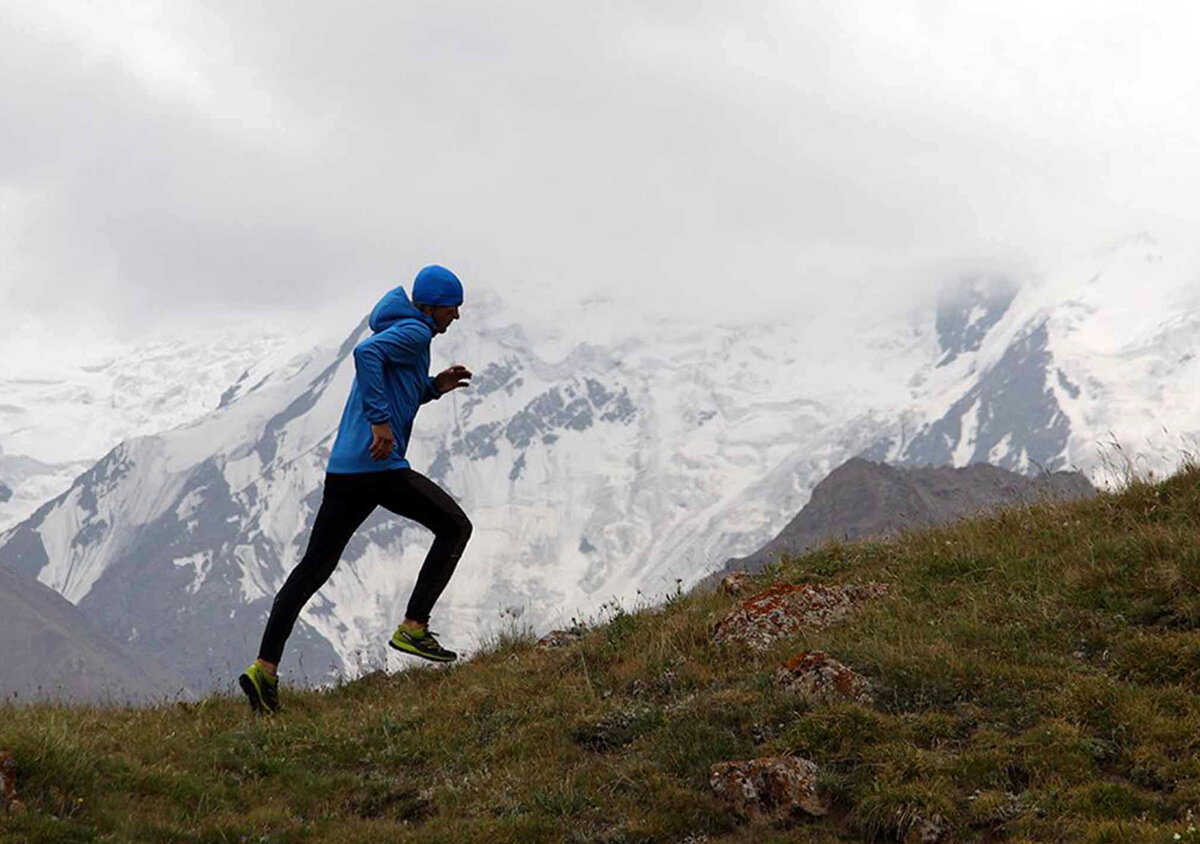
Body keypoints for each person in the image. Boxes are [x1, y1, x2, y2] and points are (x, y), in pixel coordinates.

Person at [239, 265, 474, 714]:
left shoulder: (405, 330)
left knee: (313, 569)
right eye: (452, 306)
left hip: (346, 471)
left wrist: (432, 388)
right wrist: (380, 423)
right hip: (378, 467)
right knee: (455, 527)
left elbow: (395, 383)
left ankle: (263, 670)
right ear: (431, 305)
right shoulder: (414, 332)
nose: (456, 315)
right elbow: (365, 356)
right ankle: (414, 627)